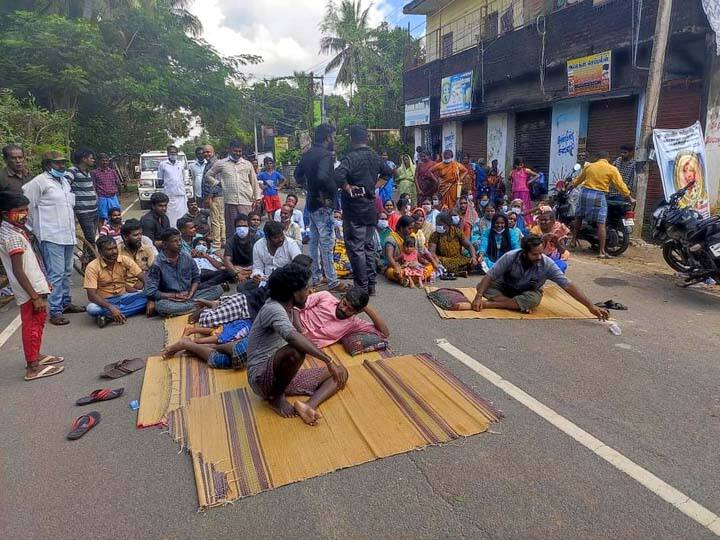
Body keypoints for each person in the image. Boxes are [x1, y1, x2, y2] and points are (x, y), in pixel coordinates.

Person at [244, 263, 350, 424]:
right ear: (294, 291)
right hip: (261, 378)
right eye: (307, 288)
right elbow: (293, 337)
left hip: (282, 377)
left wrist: (332, 365)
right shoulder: (273, 308)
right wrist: (328, 360)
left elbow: (299, 333)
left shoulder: (289, 308)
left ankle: (308, 406)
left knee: (341, 372)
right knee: (296, 350)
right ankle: (275, 398)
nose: (310, 292)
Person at [0, 191, 63, 381]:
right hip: (29, 291)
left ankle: (36, 356)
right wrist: (35, 296)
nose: (24, 214)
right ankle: (32, 367)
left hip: (33, 286)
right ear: (5, 213)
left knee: (38, 322)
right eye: (19, 210)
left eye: (26, 209)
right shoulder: (12, 237)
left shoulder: (11, 229)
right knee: (32, 325)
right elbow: (19, 270)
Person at [468, 235, 609, 319]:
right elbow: (490, 276)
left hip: (527, 292)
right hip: (505, 287)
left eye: (541, 253)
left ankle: (494, 305)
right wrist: (478, 297)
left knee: (533, 299)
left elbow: (568, 285)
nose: (539, 257)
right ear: (524, 253)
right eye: (535, 254)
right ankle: (516, 305)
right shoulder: (510, 257)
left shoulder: (546, 263)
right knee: (482, 286)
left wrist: (590, 306)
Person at [23, 151, 85, 326]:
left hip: (67, 234)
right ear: (47, 164)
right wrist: (34, 229)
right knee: (56, 274)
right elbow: (26, 207)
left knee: (66, 271)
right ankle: (55, 311)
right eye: (57, 163)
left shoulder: (64, 181)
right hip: (51, 236)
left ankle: (66, 302)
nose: (61, 166)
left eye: (63, 163)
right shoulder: (38, 183)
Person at [335, 125, 394, 296]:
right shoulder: (375, 157)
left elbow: (338, 175)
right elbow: (388, 172)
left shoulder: (350, 158)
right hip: (370, 209)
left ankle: (361, 287)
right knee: (368, 247)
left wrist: (348, 188)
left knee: (356, 249)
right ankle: (371, 285)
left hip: (354, 211)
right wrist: (373, 186)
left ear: (351, 139)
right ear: (366, 139)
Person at [294, 124, 345, 291]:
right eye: (333, 136)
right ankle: (332, 280)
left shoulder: (307, 154)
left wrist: (309, 187)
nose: (334, 140)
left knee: (314, 241)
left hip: (311, 202)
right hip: (324, 204)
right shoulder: (326, 155)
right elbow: (323, 177)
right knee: (327, 243)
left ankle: (316, 277)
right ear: (327, 137)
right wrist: (330, 193)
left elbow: (297, 175)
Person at [144, 228, 223, 317]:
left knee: (218, 289)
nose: (179, 243)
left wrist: (191, 293)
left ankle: (194, 305)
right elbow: (151, 291)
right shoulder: (157, 264)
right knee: (161, 306)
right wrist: (176, 295)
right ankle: (201, 304)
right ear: (165, 245)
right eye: (175, 241)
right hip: (171, 298)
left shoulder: (186, 256)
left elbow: (196, 278)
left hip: (190, 294)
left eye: (180, 240)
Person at [570, 151, 634, 259]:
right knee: (601, 223)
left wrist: (571, 186)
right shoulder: (612, 169)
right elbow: (620, 185)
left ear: (597, 157)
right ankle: (602, 251)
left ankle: (573, 241)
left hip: (585, 193)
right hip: (599, 195)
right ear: (608, 158)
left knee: (579, 217)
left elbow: (579, 180)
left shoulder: (589, 166)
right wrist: (629, 197)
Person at [84, 235, 147, 328]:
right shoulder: (92, 267)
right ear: (100, 252)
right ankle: (119, 312)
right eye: (109, 249)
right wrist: (110, 307)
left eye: (115, 248)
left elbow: (144, 277)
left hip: (124, 296)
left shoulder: (124, 259)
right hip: (105, 301)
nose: (114, 251)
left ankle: (108, 316)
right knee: (91, 309)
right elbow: (91, 296)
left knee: (149, 297)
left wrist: (151, 297)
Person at [205, 139, 261, 238]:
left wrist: (257, 198)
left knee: (247, 226)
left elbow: (254, 182)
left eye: (240, 151)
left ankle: (248, 248)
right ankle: (232, 250)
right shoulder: (221, 163)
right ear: (230, 150)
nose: (237, 153)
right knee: (232, 228)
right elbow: (208, 175)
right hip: (230, 201)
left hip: (246, 200)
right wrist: (218, 183)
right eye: (235, 151)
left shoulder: (247, 164)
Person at [384, 215, 433, 285]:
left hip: (412, 266)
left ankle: (408, 279)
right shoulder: (391, 239)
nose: (411, 231)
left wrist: (420, 262)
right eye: (409, 228)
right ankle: (411, 278)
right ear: (401, 228)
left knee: (430, 267)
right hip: (397, 266)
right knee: (392, 272)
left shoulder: (412, 236)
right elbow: (389, 257)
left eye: (412, 228)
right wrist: (396, 266)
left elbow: (415, 253)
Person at [251, 220, 301, 285]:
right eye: (276, 237)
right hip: (267, 281)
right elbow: (258, 267)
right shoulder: (258, 246)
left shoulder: (291, 244)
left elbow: (299, 266)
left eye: (282, 235)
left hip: (288, 280)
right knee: (242, 287)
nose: (281, 239)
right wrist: (257, 275)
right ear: (267, 238)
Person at [67, 149, 98, 252]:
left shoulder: (87, 172)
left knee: (90, 238)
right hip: (84, 212)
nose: (93, 160)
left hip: (94, 209)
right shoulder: (72, 171)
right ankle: (93, 261)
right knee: (90, 238)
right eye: (91, 157)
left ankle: (87, 259)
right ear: (84, 159)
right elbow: (64, 186)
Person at [223, 213, 257, 289]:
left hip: (252, 267)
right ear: (235, 228)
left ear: (249, 227)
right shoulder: (230, 241)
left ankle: (247, 276)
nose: (242, 229)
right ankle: (246, 276)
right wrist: (237, 273)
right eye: (239, 226)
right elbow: (227, 260)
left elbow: (261, 258)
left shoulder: (255, 238)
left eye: (244, 226)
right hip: (236, 268)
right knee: (226, 271)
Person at [157, 145, 187, 229]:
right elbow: (160, 180)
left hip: (180, 195)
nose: (173, 154)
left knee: (182, 215)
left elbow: (184, 178)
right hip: (169, 195)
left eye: (174, 152)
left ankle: (182, 232)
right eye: (171, 152)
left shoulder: (181, 164)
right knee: (170, 217)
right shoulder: (163, 164)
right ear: (167, 153)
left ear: (177, 153)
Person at [201, 144, 224, 248]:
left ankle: (216, 243)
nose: (206, 154)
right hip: (216, 195)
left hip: (215, 196)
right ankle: (222, 240)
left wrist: (209, 197)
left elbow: (216, 182)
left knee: (215, 220)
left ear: (213, 152)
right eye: (205, 152)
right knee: (219, 219)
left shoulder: (216, 163)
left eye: (208, 152)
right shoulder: (209, 163)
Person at [91, 153, 123, 226]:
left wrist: (118, 197)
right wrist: (96, 198)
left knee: (117, 217)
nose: (105, 162)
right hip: (102, 198)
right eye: (103, 160)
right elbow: (93, 186)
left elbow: (118, 184)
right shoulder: (94, 172)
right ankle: (102, 236)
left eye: (106, 160)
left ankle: (118, 233)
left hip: (113, 197)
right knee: (102, 218)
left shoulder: (113, 171)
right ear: (99, 161)